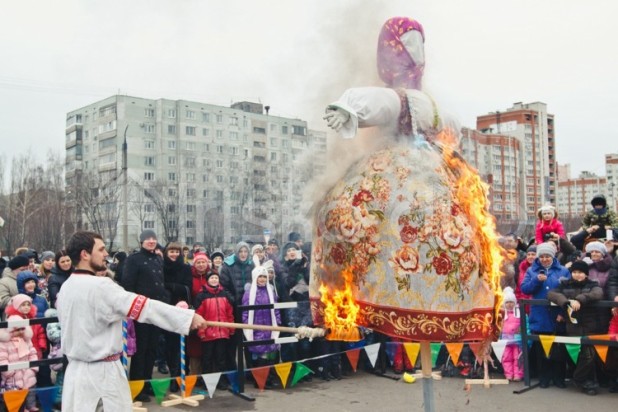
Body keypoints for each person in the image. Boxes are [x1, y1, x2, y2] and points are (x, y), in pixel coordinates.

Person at [313, 16, 502, 345]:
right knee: (355, 214)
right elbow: (379, 103)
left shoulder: (427, 100)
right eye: (406, 45)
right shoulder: (399, 98)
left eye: (418, 44)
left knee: (451, 230)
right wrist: (348, 109)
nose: (415, 53)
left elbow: (449, 127)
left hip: (432, 168)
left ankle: (449, 304)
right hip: (396, 165)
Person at [56, 230, 207, 411]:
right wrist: (187, 317)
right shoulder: (101, 286)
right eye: (101, 249)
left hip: (75, 376)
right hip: (102, 376)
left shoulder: (67, 286)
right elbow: (146, 307)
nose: (106, 254)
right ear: (85, 254)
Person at [121, 229, 170, 401]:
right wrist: (135, 308)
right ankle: (137, 386)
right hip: (141, 311)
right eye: (147, 239)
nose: (151, 241)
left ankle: (147, 382)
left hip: (155, 310)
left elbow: (161, 283)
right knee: (140, 351)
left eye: (154, 239)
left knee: (152, 349)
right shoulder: (134, 260)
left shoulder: (158, 259)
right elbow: (128, 284)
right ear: (141, 242)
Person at [547, 260, 604, 395]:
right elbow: (551, 294)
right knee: (577, 356)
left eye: (580, 272)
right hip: (572, 326)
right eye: (575, 272)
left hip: (589, 326)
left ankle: (579, 379)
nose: (577, 275)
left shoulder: (593, 284)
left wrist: (580, 299)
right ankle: (587, 384)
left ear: (586, 274)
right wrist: (566, 301)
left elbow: (598, 293)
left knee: (589, 355)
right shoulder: (565, 284)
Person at [520, 242, 571, 388]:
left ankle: (559, 377)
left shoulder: (562, 271)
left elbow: (567, 292)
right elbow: (525, 289)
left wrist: (563, 313)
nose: (544, 259)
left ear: (552, 256)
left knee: (558, 348)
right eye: (541, 256)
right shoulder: (532, 271)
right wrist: (536, 280)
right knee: (541, 348)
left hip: (557, 316)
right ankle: (544, 377)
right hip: (540, 315)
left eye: (547, 256)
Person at [242, 266, 281, 389]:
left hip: (270, 327)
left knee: (270, 354)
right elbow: (245, 312)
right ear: (255, 278)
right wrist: (248, 326)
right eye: (260, 276)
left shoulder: (271, 292)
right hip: (256, 328)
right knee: (260, 356)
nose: (263, 279)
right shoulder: (249, 294)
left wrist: (278, 322)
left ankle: (268, 378)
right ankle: (259, 380)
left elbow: (276, 309)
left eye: (264, 276)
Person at [162, 242, 192, 392]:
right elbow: (160, 285)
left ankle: (182, 376)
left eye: (176, 251)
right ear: (166, 253)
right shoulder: (162, 267)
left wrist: (172, 286)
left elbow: (188, 287)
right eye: (171, 251)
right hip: (167, 309)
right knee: (169, 346)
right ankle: (173, 376)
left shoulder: (185, 268)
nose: (174, 254)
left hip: (182, 309)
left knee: (182, 345)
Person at [194, 270, 234, 383]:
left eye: (216, 278)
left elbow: (229, 313)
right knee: (207, 359)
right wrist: (201, 332)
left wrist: (231, 328)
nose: (214, 280)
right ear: (208, 280)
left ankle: (221, 381)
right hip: (208, 333)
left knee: (221, 358)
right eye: (212, 278)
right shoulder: (201, 295)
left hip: (222, 333)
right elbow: (198, 315)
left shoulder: (225, 294)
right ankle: (208, 382)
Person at [0, 315, 39, 411]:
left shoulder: (27, 341)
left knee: (30, 390)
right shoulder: (4, 343)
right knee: (16, 398)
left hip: (27, 372)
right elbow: (2, 359)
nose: (21, 331)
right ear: (10, 330)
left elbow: (33, 354)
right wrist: (9, 372)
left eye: (22, 329)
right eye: (17, 329)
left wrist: (33, 368)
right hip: (13, 376)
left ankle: (30, 406)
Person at [500, 287, 523, 381]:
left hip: (517, 340)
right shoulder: (501, 314)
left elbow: (525, 324)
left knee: (517, 358)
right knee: (506, 358)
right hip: (505, 340)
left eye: (511, 302)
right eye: (507, 302)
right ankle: (509, 374)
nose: (509, 305)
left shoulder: (519, 312)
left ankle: (518, 374)